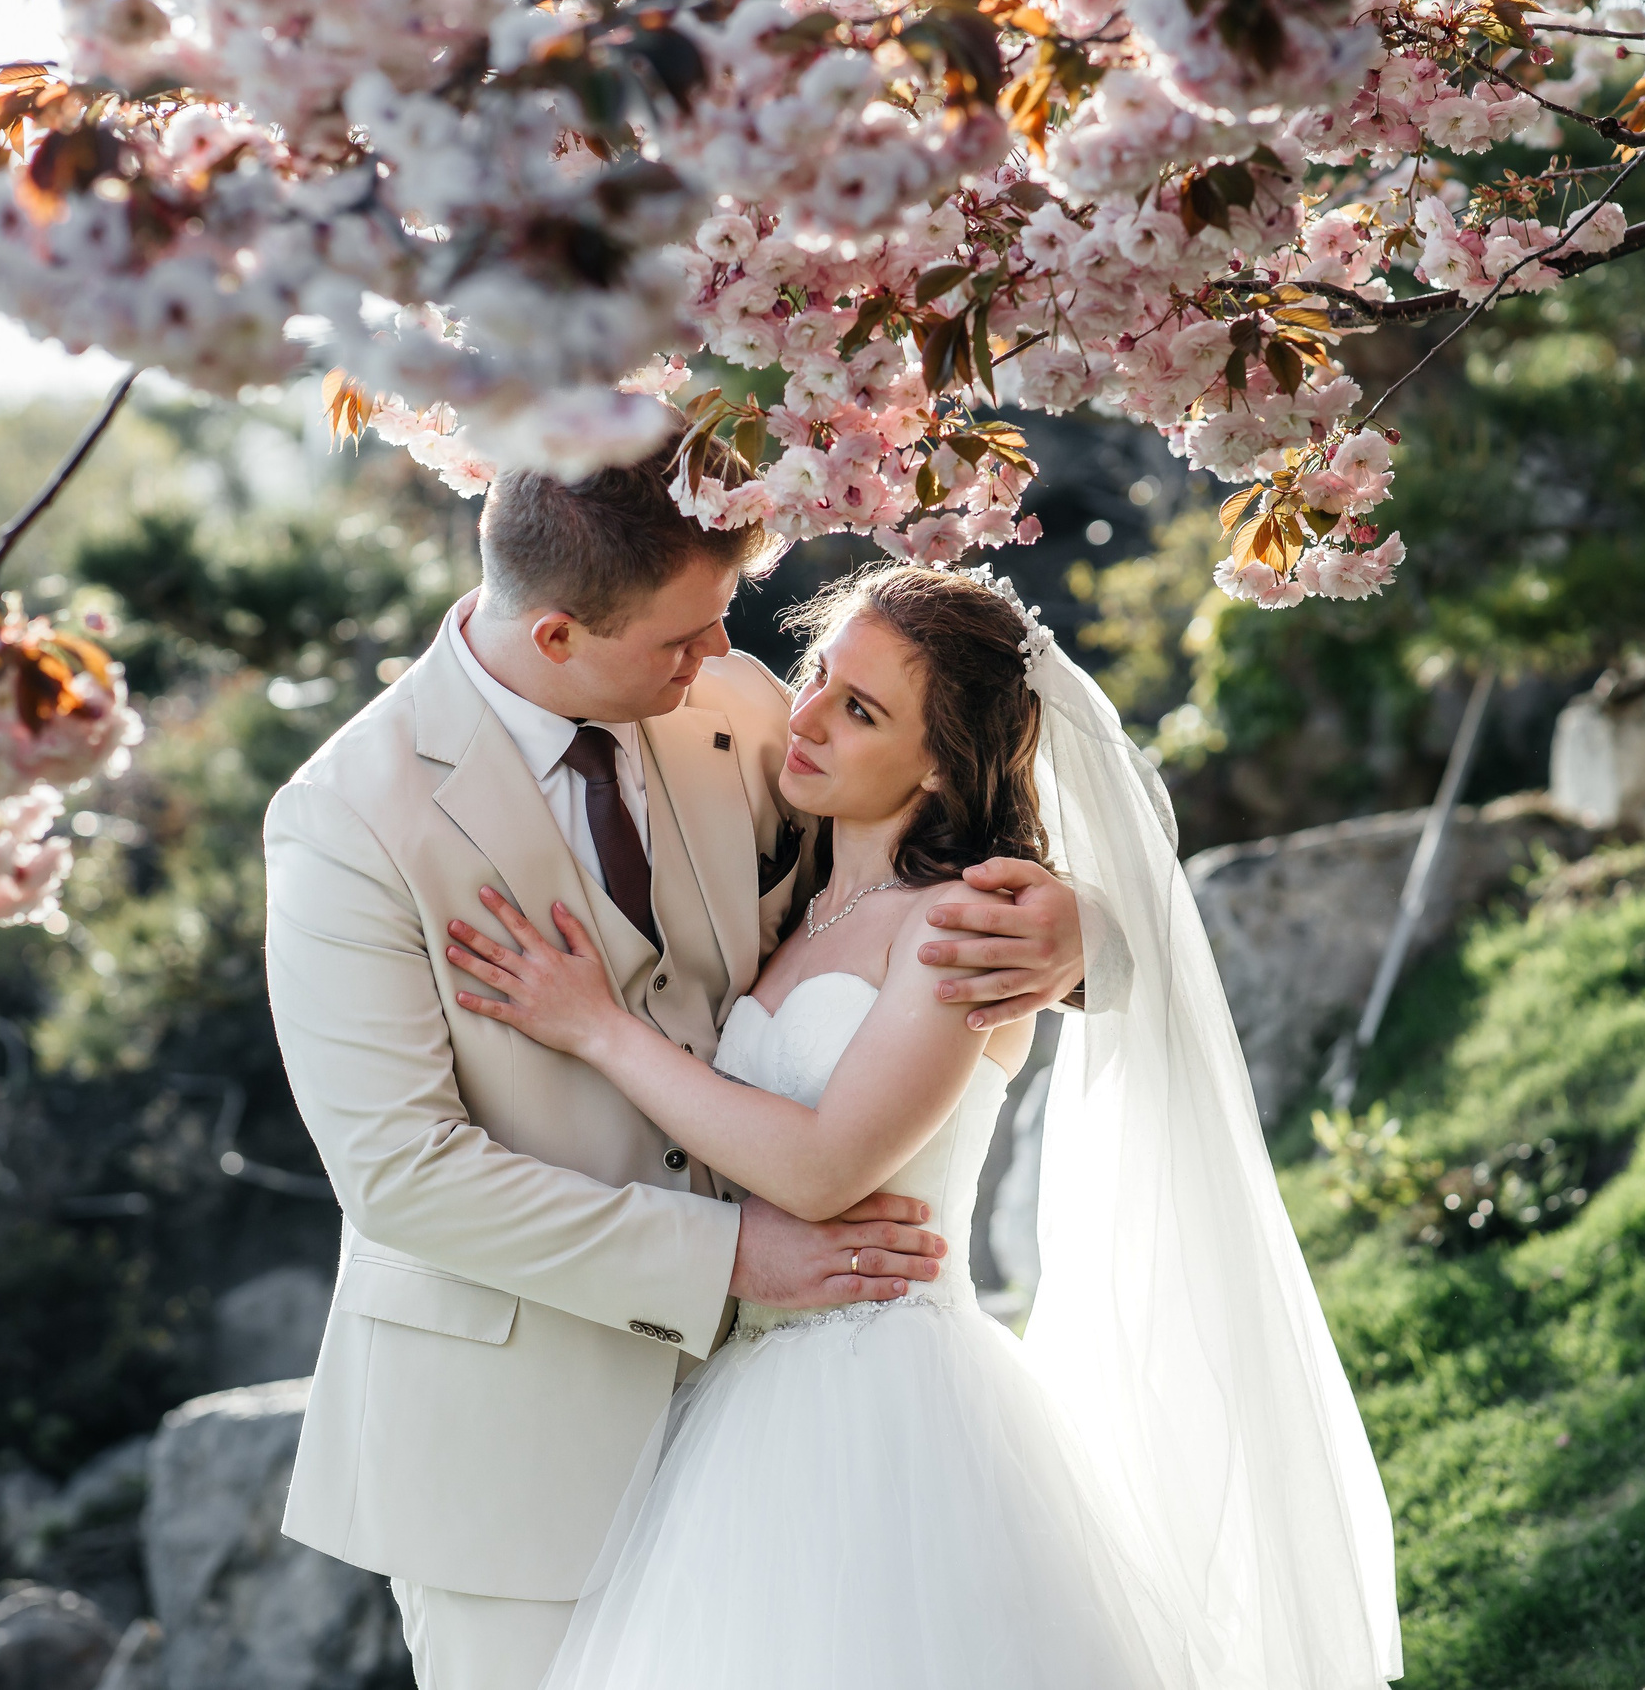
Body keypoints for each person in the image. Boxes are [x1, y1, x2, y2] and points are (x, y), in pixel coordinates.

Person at [444, 562, 1404, 1689]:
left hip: (886, 1403)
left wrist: (601, 1030)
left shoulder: (958, 928)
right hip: (743, 1397)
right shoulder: (798, 900)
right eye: (816, 678)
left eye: (861, 712)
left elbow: (820, 1166)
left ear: (943, 762)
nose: (803, 720)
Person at [260, 437, 1106, 1690]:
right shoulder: (346, 821)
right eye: (685, 636)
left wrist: (1070, 930)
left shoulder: (736, 711)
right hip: (512, 1451)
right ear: (557, 637)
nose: (727, 658)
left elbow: (900, 886)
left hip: (796, 1424)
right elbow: (400, 1174)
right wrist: (729, 1261)